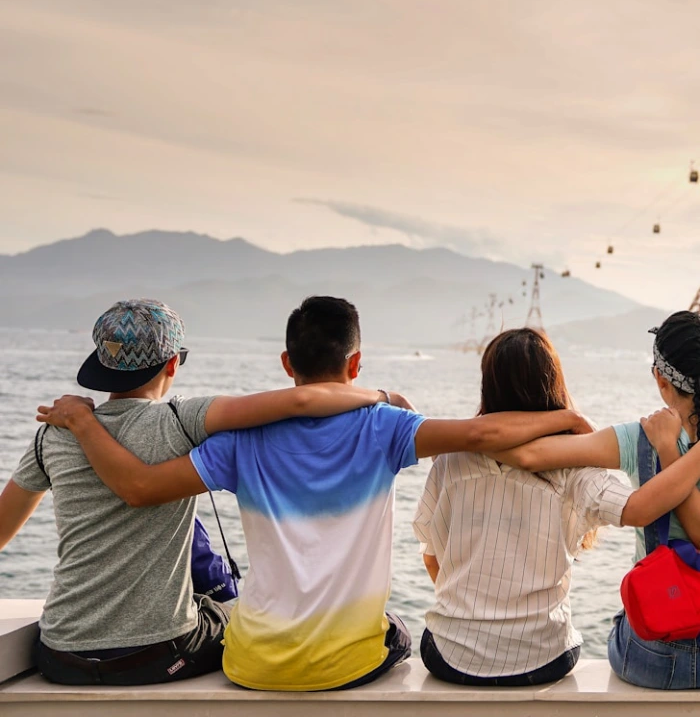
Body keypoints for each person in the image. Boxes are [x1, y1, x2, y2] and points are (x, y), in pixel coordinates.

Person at [35, 296, 595, 692]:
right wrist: (570, 417)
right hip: (346, 666)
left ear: (286, 363)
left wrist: (84, 425)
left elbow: (142, 486)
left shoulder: (240, 440)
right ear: (355, 363)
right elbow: (484, 434)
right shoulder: (386, 428)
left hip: (251, 664)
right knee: (397, 628)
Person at [0, 298, 403, 686]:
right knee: (230, 614)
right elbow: (301, 400)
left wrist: (81, 420)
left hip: (60, 655)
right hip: (155, 655)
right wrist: (382, 397)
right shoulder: (182, 420)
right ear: (173, 362)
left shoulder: (53, 434)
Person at [413, 326, 700, 687]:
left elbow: (431, 557)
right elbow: (636, 509)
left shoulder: (449, 463)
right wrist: (571, 418)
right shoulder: (576, 471)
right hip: (544, 657)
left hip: (452, 658)